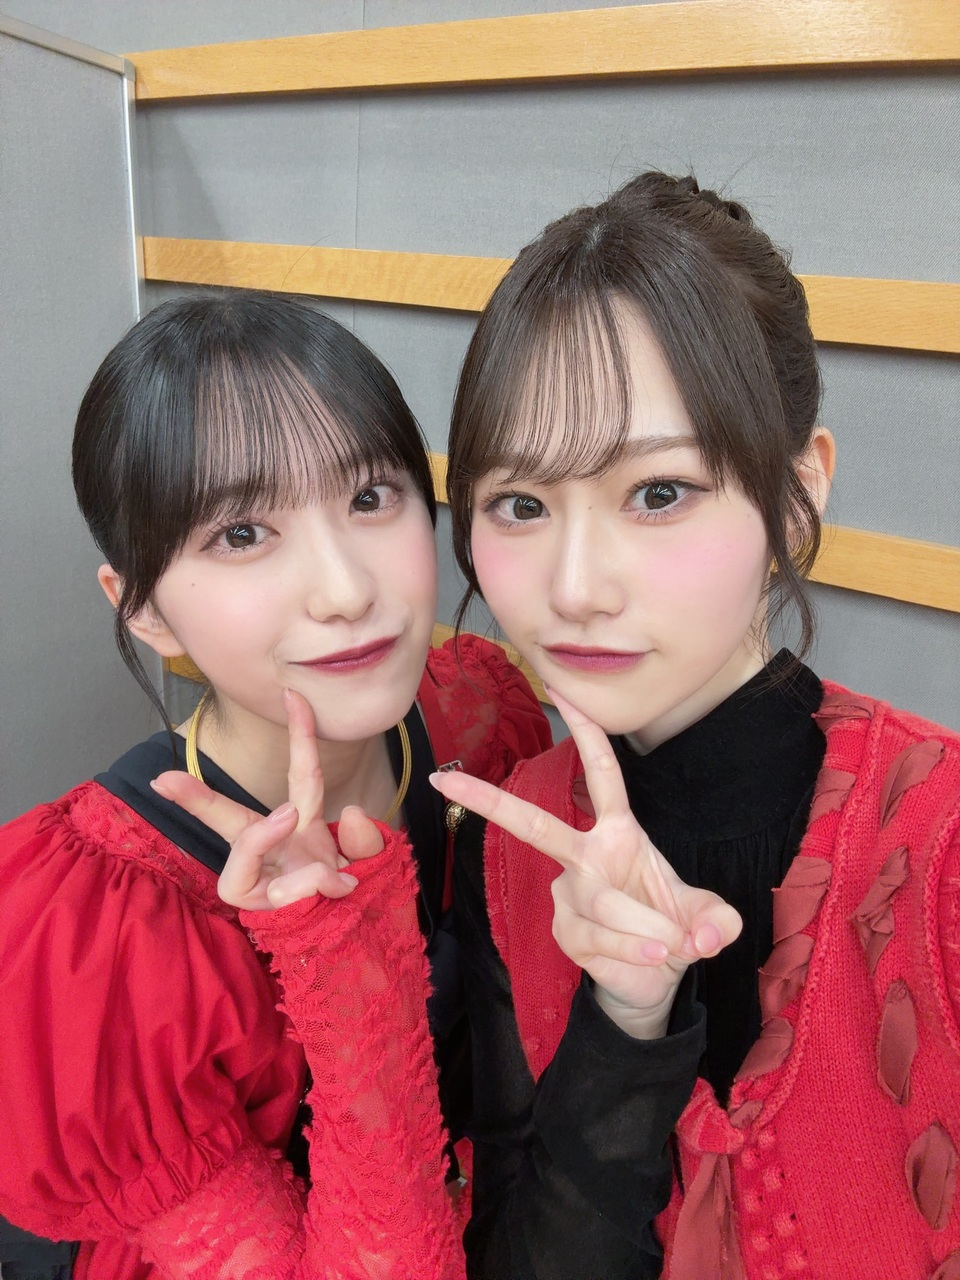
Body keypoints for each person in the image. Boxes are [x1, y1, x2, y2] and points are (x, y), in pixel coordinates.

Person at [431, 171, 960, 1279]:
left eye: (659, 492)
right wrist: (624, 1021)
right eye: (521, 505)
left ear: (797, 494)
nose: (574, 588)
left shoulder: (940, 841)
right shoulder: (510, 844)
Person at [0, 292, 551, 1280]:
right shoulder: (93, 934)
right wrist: (346, 970)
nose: (346, 589)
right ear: (142, 608)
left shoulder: (475, 714)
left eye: (370, 497)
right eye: (243, 533)